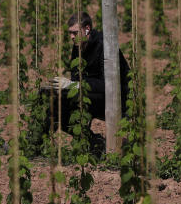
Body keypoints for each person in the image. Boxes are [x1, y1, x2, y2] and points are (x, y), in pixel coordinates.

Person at [44, 11, 130, 155]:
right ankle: (37, 144)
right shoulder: (78, 45)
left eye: (75, 32)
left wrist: (74, 85)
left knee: (65, 100)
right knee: (52, 98)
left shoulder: (104, 46)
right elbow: (76, 77)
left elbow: (108, 85)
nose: (71, 37)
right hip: (93, 94)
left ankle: (97, 145)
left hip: (116, 99)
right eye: (70, 33)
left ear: (87, 29)